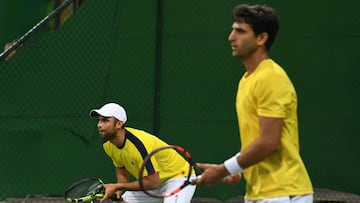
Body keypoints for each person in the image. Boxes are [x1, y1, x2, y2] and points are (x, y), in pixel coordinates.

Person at [195, 4, 314, 203]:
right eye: (233, 30)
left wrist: (223, 169)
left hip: (284, 191)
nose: (231, 37)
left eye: (240, 31)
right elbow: (257, 140)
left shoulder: (271, 78)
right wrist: (235, 168)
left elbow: (269, 142)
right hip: (259, 193)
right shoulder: (247, 80)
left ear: (261, 38)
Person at [89, 102, 196, 203]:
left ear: (119, 124)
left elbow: (152, 182)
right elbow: (121, 167)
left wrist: (117, 186)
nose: (99, 125)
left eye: (105, 120)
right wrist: (118, 191)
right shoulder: (108, 143)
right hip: (154, 182)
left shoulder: (139, 144)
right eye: (99, 120)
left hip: (178, 177)